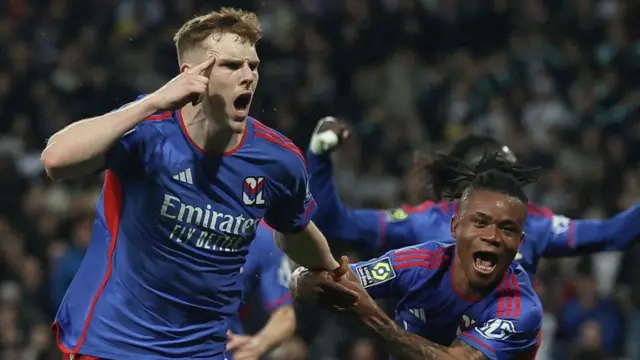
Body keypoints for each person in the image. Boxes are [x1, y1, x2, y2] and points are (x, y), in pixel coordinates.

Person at [41, 8, 351, 360]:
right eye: (232, 66)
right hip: (112, 342)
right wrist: (156, 100)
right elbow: (56, 161)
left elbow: (294, 229)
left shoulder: (278, 160)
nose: (248, 76)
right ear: (192, 76)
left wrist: (332, 271)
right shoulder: (149, 129)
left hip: (201, 351)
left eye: (253, 65)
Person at [307, 117, 640, 277]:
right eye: (505, 166)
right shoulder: (423, 223)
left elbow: (617, 234)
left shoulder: (535, 224)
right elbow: (334, 223)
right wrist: (319, 157)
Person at [291, 153, 543, 360]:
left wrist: (371, 316)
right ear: (455, 227)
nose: (493, 237)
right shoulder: (420, 263)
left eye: (507, 229)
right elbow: (324, 279)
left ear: (519, 243)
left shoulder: (520, 308)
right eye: (480, 223)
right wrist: (305, 280)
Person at [226, 221, 296, 360]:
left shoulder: (263, 238)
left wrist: (257, 344)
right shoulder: (172, 220)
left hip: (225, 349)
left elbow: (285, 315)